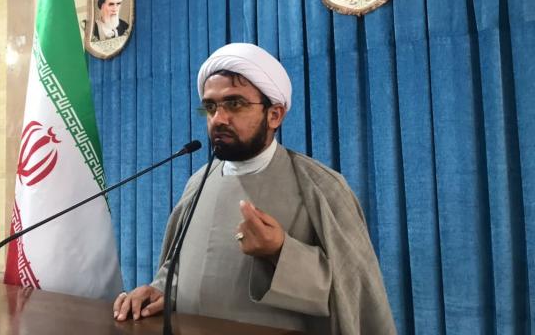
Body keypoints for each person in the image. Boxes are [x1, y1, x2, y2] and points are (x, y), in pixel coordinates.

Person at [113, 43, 396, 334]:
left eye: (234, 104)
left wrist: (280, 251)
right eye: (210, 107)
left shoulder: (321, 188)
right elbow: (182, 266)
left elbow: (353, 294)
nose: (218, 119)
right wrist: (161, 289)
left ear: (275, 115)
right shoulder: (198, 183)